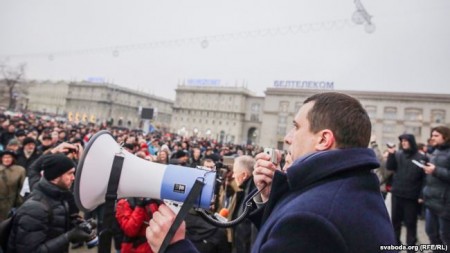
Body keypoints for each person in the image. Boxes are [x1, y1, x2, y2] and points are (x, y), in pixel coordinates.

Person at [145, 92, 397, 253]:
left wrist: (176, 247)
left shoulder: (313, 220)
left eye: (296, 127)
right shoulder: (353, 186)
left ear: (324, 139)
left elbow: (302, 229)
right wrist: (269, 199)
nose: (287, 138)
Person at [7, 154, 93, 253]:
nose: (73, 178)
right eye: (70, 173)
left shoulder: (59, 196)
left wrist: (76, 225)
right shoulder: (35, 208)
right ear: (55, 177)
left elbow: (54, 229)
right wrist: (68, 237)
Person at [386, 133, 427, 248]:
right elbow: (390, 167)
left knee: (411, 224)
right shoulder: (398, 155)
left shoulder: (421, 157)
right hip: (397, 194)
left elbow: (425, 179)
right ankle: (395, 245)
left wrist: (421, 195)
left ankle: (411, 247)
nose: (403, 143)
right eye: (402, 141)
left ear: (411, 142)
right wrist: (391, 155)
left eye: (406, 141)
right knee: (395, 222)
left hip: (411, 196)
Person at [422, 126, 450, 249]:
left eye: (436, 135)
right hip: (431, 200)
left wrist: (436, 170)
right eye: (432, 135)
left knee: (445, 236)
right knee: (431, 233)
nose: (432, 138)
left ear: (446, 136)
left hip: (445, 202)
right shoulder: (434, 151)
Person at [228, 155, 257, 253]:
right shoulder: (248, 191)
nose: (232, 176)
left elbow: (245, 231)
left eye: (235, 172)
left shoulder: (252, 195)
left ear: (244, 175)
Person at [0, 150, 26, 222]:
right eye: (4, 157)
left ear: (13, 159)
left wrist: (20, 203)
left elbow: (23, 188)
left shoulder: (20, 170)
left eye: (9, 157)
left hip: (12, 202)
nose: (6, 159)